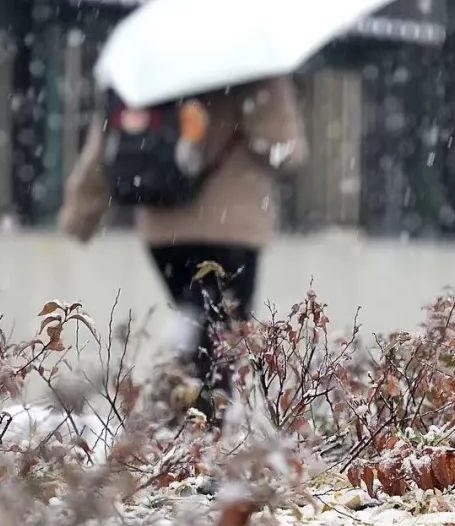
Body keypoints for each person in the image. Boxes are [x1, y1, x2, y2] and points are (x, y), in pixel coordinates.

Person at [58, 76, 307, 418]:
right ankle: (198, 429)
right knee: (222, 337)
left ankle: (174, 404)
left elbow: (106, 140)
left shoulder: (156, 64)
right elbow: (285, 147)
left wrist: (81, 214)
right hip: (232, 227)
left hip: (165, 230)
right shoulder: (256, 69)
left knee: (197, 321)